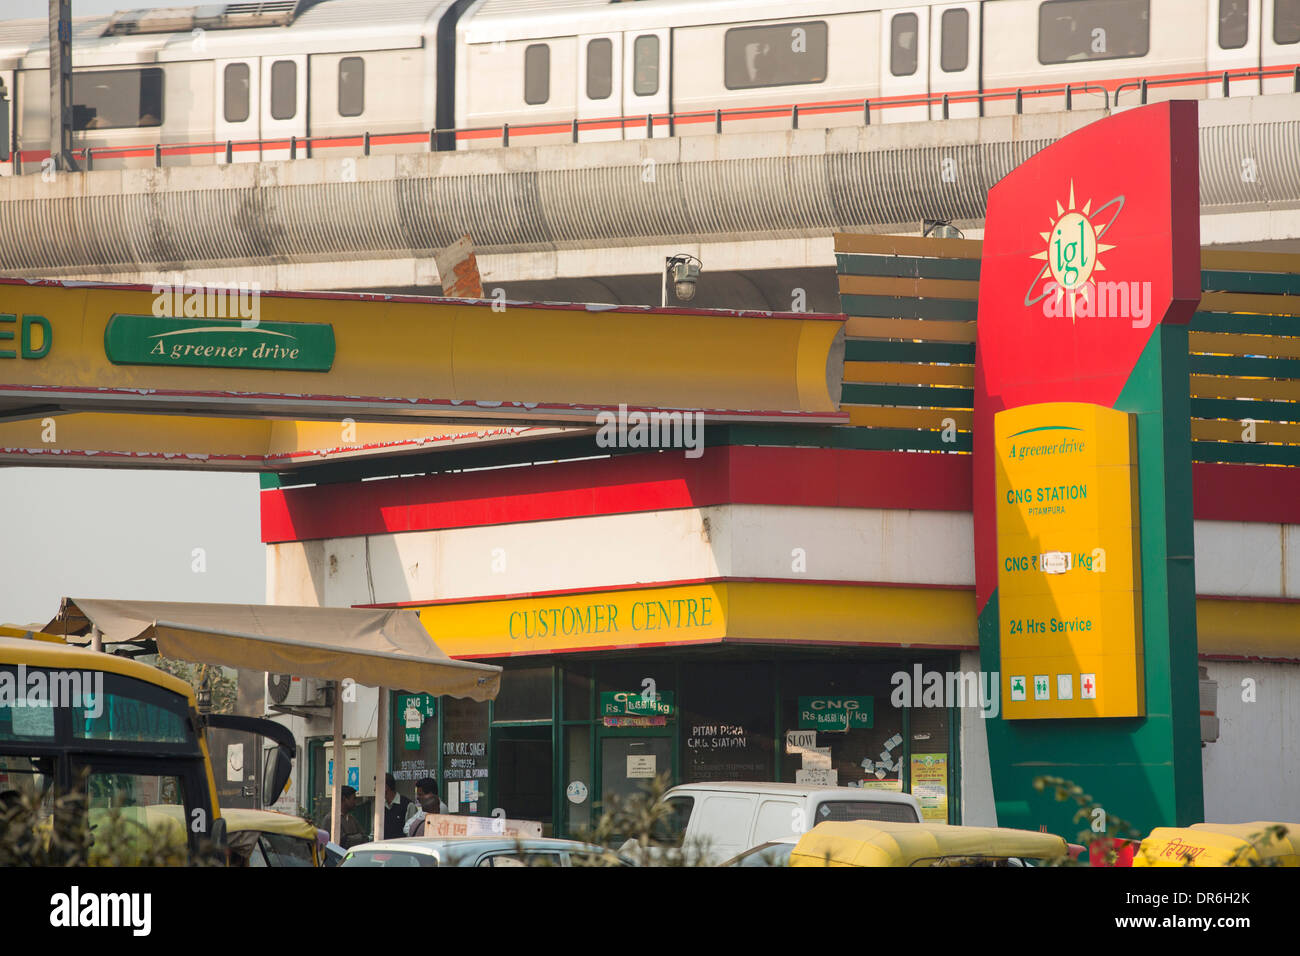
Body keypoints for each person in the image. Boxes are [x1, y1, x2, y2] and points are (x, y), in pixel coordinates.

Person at [383, 772, 421, 840]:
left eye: (377, 786)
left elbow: (411, 833)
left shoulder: (408, 805)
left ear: (385, 787)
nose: (374, 789)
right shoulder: (380, 806)